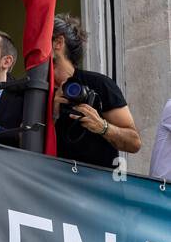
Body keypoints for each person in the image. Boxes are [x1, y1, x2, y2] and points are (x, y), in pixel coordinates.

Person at [50, 14, 140, 167]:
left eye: (39, 40)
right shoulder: (36, 91)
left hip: (98, 187)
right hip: (52, 184)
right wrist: (52, 116)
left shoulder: (99, 84)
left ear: (58, 42)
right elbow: (22, 143)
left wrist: (103, 127)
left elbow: (134, 142)